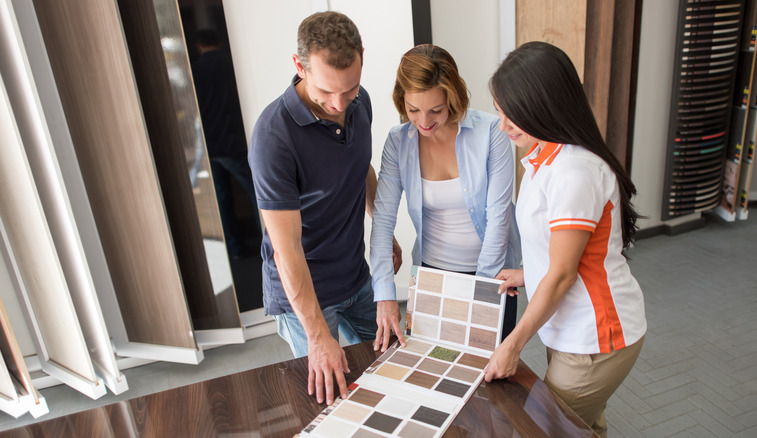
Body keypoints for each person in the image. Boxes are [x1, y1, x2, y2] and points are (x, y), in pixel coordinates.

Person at [484, 41, 647, 438]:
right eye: (500, 112)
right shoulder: (547, 155)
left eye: (513, 115)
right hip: (570, 329)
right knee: (583, 426)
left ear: (545, 105)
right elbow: (561, 251)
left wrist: (512, 345)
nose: (503, 126)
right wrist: (528, 273)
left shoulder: (574, 170)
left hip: (595, 337)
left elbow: (562, 275)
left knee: (545, 429)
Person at [248, 11, 400, 406]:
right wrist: (318, 336)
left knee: (394, 365)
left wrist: (384, 230)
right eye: (326, 92)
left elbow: (358, 166)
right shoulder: (273, 137)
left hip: (355, 277)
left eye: (348, 90)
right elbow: (286, 250)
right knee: (334, 398)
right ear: (299, 67)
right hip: (307, 296)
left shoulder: (358, 103)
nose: (338, 104)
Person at [370, 44, 520, 352]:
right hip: (430, 277)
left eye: (436, 110)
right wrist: (384, 293)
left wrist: (482, 291)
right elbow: (383, 220)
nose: (424, 121)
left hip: (491, 274)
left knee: (488, 373)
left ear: (452, 97)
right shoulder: (398, 143)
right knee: (431, 366)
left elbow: (498, 217)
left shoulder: (491, 133)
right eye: (413, 110)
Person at [191, 29, 260, 259]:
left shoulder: (196, 70)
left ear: (199, 46)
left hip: (210, 142)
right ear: (219, 43)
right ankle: (269, 245)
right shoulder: (230, 64)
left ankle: (234, 248)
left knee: (222, 197)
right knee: (257, 192)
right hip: (231, 139)